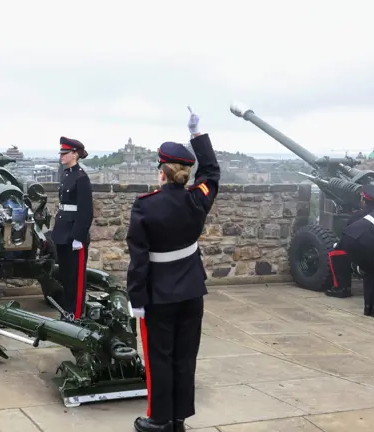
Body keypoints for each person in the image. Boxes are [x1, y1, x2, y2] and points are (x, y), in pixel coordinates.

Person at [127, 108, 220, 432]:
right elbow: (212, 170)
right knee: (185, 357)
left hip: (159, 294)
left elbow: (139, 258)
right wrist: (196, 134)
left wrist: (136, 297)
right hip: (192, 290)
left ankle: (159, 419)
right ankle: (178, 419)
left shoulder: (145, 205)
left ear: (162, 173)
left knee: (159, 358)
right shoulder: (198, 198)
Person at [51, 136, 94, 320]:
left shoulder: (81, 177)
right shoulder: (67, 174)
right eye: (61, 153)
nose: (62, 156)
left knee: (76, 278)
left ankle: (75, 314)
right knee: (66, 276)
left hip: (74, 233)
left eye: (65, 153)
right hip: (62, 231)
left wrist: (78, 236)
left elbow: (86, 210)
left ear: (75, 154)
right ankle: (67, 311)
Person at [326, 184, 374, 298]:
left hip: (362, 252)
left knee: (336, 254)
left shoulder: (357, 216)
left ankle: (341, 288)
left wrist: (337, 245)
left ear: (363, 200)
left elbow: (347, 236)